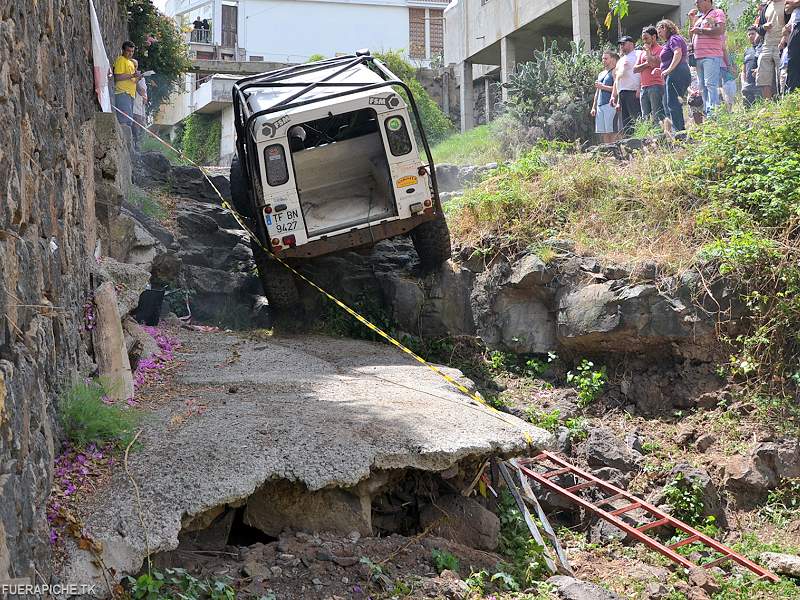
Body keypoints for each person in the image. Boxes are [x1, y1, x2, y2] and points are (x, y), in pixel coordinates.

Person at [689, 0, 727, 115]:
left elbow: (720, 30)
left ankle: (714, 113)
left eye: (698, 1)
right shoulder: (700, 18)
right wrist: (692, 21)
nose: (696, 4)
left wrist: (700, 30)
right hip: (698, 57)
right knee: (702, 87)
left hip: (711, 55)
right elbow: (692, 34)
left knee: (710, 84)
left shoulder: (717, 12)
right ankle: (708, 112)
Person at [657, 19, 691, 132]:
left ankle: (679, 130)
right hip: (677, 72)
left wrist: (669, 69)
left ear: (666, 28)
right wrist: (662, 69)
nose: (659, 34)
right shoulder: (670, 41)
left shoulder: (674, 39)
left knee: (672, 103)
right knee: (673, 102)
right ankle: (679, 129)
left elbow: (678, 53)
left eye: (660, 30)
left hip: (676, 72)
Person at [611, 36, 641, 136]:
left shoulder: (638, 54)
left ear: (631, 43)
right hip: (622, 93)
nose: (621, 46)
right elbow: (617, 79)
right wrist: (614, 96)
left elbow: (643, 72)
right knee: (626, 121)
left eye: (623, 43)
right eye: (620, 44)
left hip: (634, 91)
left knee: (636, 118)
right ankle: (629, 140)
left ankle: (640, 137)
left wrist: (640, 88)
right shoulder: (620, 60)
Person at [635, 26, 665, 123]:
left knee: (657, 114)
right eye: (643, 39)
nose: (644, 41)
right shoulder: (641, 53)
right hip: (644, 87)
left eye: (646, 38)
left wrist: (648, 53)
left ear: (654, 37)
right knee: (645, 117)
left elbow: (654, 64)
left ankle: (660, 131)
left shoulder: (661, 50)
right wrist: (646, 64)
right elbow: (635, 69)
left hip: (656, 85)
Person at [756, 1, 785, 98]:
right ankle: (767, 103)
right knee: (763, 77)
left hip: (781, 45)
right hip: (767, 45)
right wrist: (764, 27)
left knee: (783, 76)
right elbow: (759, 29)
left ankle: (784, 101)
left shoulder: (787, 3)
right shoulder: (766, 7)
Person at [591, 51, 619, 143]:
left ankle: (615, 148)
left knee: (611, 130)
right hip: (600, 105)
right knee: (603, 132)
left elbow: (617, 88)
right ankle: (607, 149)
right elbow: (597, 91)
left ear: (612, 59)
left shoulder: (614, 71)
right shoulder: (601, 74)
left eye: (606, 58)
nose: (603, 60)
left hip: (609, 104)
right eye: (603, 58)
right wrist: (594, 107)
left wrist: (603, 87)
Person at [113, 41, 141, 129]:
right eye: (128, 51)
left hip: (130, 95)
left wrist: (138, 78)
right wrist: (132, 75)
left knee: (128, 121)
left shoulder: (130, 63)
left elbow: (132, 80)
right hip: (123, 93)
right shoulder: (121, 60)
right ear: (123, 50)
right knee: (124, 121)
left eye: (132, 51)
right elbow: (117, 77)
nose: (130, 53)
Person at [742, 26, 763, 105]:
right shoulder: (747, 51)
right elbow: (743, 70)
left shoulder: (763, 48)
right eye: (749, 34)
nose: (751, 36)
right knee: (747, 108)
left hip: (759, 85)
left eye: (753, 34)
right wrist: (743, 83)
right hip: (748, 85)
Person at [786, 0, 800, 91]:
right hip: (795, 27)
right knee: (793, 59)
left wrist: (791, 3)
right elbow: (786, 9)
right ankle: (793, 90)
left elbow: (796, 3)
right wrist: (793, 4)